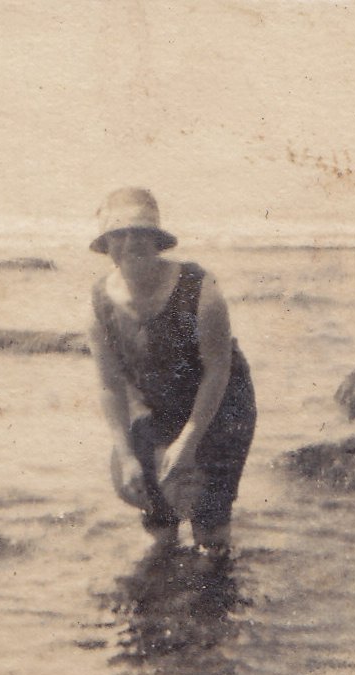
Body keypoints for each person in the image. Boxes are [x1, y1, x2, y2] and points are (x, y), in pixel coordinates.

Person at [88, 187, 257, 555]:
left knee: (209, 528)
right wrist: (127, 455)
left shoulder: (199, 289)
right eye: (120, 234)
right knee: (158, 521)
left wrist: (188, 442)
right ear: (107, 245)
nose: (131, 242)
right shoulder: (100, 301)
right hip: (155, 407)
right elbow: (109, 386)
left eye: (140, 233)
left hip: (221, 403)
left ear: (156, 240)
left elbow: (217, 371)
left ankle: (211, 595)